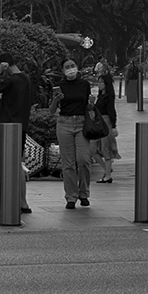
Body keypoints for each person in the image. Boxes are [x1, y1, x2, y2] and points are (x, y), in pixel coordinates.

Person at [0, 59, 36, 214]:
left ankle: (8, 203)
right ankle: (22, 201)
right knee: (17, 164)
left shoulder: (10, 81)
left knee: (5, 163)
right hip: (21, 126)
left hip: (8, 127)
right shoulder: (26, 79)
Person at [54, 58, 93, 209]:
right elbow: (52, 110)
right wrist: (55, 100)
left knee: (84, 160)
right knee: (68, 163)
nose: (70, 69)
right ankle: (71, 196)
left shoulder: (84, 85)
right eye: (67, 67)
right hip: (64, 123)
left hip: (82, 123)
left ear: (77, 67)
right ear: (63, 70)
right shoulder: (60, 86)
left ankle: (84, 193)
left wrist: (91, 105)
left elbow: (88, 106)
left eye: (72, 65)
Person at [91, 60, 119, 184]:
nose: (100, 84)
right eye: (99, 82)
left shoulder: (108, 96)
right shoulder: (100, 96)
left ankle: (107, 176)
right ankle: (107, 169)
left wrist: (113, 126)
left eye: (102, 82)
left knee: (106, 148)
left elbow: (112, 111)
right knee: (92, 149)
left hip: (106, 122)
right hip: (98, 123)